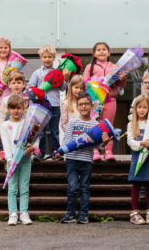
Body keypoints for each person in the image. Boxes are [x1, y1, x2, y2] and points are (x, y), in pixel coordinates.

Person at [57, 92, 111, 224]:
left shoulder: (95, 124)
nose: (83, 107)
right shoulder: (73, 122)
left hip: (87, 160)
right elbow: (66, 140)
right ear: (77, 106)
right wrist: (60, 151)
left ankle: (83, 215)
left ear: (92, 106)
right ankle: (70, 214)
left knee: (85, 187)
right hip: (72, 160)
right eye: (80, 104)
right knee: (72, 187)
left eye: (86, 104)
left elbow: (98, 145)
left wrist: (104, 143)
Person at [83, 42, 126, 161]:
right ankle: (95, 150)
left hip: (110, 99)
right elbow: (85, 82)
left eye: (104, 49)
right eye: (98, 50)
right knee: (94, 124)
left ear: (109, 52)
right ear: (94, 54)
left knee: (108, 125)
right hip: (94, 100)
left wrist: (123, 79)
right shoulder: (89, 67)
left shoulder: (115, 67)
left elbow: (120, 85)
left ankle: (108, 151)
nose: (101, 51)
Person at [28, 44, 68, 160]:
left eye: (50, 57)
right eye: (45, 57)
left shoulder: (58, 72)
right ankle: (40, 153)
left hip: (55, 105)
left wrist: (64, 79)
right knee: (41, 132)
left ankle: (56, 152)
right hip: (41, 106)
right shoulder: (37, 73)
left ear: (54, 58)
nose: (47, 59)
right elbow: (31, 87)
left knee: (55, 131)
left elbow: (62, 88)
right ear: (41, 58)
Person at [1, 94, 36, 225]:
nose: (16, 110)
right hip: (12, 161)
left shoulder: (28, 123)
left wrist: (32, 148)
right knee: (12, 188)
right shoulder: (5, 125)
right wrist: (9, 159)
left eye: (18, 108)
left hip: (25, 160)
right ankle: (13, 214)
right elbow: (6, 143)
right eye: (13, 108)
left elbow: (33, 140)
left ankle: (24, 213)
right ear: (8, 109)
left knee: (24, 187)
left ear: (23, 108)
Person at [127, 95, 149, 225]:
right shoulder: (131, 124)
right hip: (137, 157)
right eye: (139, 107)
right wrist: (141, 143)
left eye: (144, 107)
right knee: (136, 185)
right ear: (135, 108)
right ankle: (134, 212)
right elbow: (130, 141)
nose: (141, 110)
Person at [59, 75, 85, 147]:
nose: (79, 90)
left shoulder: (84, 105)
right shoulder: (65, 104)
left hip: (83, 140)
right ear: (71, 88)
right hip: (70, 141)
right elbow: (64, 124)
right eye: (76, 87)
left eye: (81, 88)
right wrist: (73, 135)